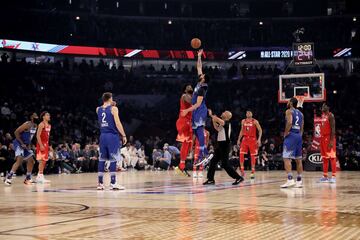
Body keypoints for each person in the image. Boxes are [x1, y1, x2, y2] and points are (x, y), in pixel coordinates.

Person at [181, 49, 213, 167]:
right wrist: (199, 56)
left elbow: (198, 104)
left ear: (204, 79)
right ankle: (201, 156)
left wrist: (187, 110)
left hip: (200, 109)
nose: (201, 74)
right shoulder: (199, 83)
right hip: (195, 111)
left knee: (199, 130)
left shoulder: (202, 88)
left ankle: (205, 153)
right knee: (195, 131)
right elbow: (199, 68)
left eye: (203, 75)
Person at [203, 110, 244, 185]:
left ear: (227, 116)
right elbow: (217, 128)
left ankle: (238, 178)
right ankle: (210, 179)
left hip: (225, 145)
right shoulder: (223, 123)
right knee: (213, 161)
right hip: (220, 144)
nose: (222, 112)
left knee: (225, 164)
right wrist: (213, 120)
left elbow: (218, 120)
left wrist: (211, 115)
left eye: (224, 112)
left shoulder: (227, 123)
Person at [96, 93, 127, 190]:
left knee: (102, 159)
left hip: (103, 136)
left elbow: (104, 109)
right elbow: (117, 123)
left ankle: (100, 184)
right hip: (112, 136)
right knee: (113, 159)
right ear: (110, 99)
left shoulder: (98, 109)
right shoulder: (114, 109)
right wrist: (123, 135)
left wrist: (110, 103)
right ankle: (113, 183)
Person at [4, 113, 38, 185]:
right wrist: (21, 143)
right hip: (19, 143)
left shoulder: (35, 125)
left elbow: (30, 137)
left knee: (31, 161)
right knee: (19, 160)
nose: (37, 117)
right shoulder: (27, 124)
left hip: (26, 145)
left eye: (37, 116)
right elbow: (16, 132)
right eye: (35, 116)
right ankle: (8, 178)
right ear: (31, 117)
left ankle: (28, 178)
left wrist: (30, 145)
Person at [280, 97, 304, 188]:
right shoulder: (301, 114)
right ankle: (299, 181)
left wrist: (286, 133)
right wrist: (299, 135)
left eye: (288, 101)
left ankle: (290, 179)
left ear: (290, 103)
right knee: (298, 159)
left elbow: (289, 123)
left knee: (286, 158)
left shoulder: (289, 111)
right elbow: (302, 126)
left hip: (291, 135)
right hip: (298, 136)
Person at [237, 110, 262, 179]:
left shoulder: (255, 121)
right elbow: (241, 131)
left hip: (252, 139)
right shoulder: (243, 121)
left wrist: (259, 139)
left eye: (250, 112)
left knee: (252, 156)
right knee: (241, 154)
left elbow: (260, 130)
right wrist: (239, 139)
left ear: (252, 114)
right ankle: (242, 170)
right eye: (247, 113)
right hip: (245, 139)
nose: (248, 113)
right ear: (246, 114)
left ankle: (253, 172)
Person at [175, 84, 193, 175]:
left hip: (189, 121)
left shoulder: (191, 96)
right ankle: (181, 164)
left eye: (191, 87)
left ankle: (182, 164)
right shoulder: (184, 96)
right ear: (185, 90)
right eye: (188, 87)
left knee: (188, 144)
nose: (190, 87)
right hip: (183, 121)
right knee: (186, 142)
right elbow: (192, 102)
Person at [319, 103, 337, 183]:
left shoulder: (331, 115)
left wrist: (331, 141)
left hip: (329, 138)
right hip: (323, 138)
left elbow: (333, 129)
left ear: (328, 108)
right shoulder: (322, 116)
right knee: (324, 158)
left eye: (324, 106)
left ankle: (333, 176)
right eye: (322, 106)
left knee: (332, 157)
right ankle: (325, 176)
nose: (323, 107)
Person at [36, 111, 52, 183]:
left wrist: (49, 146)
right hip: (41, 143)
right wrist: (41, 145)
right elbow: (37, 135)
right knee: (41, 160)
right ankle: (40, 176)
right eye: (47, 115)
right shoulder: (41, 124)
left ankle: (40, 176)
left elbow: (48, 137)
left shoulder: (49, 125)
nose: (49, 116)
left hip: (46, 144)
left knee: (45, 160)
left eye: (49, 115)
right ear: (43, 117)